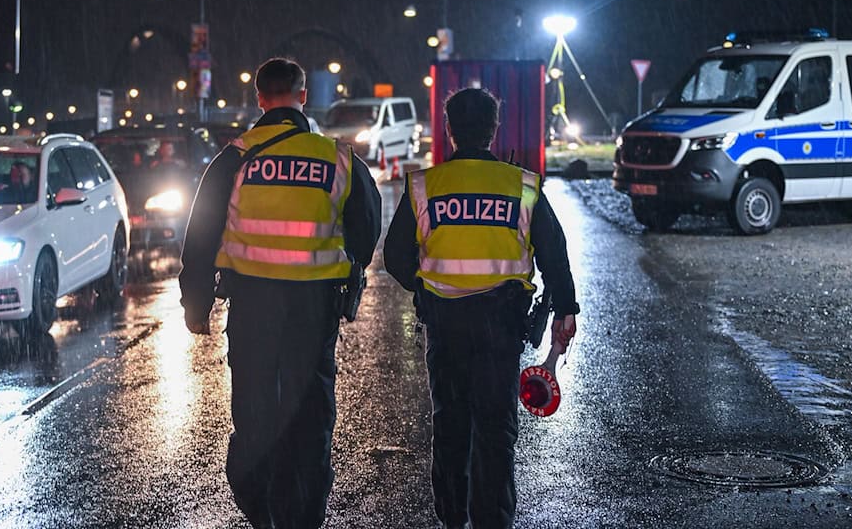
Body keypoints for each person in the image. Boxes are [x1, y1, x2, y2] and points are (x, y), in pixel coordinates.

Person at [179, 57, 381, 529]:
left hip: (253, 308)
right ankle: (306, 516)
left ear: (259, 98)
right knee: (311, 417)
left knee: (254, 415)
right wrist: (345, 271)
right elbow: (366, 228)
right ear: (303, 97)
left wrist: (197, 303)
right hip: (313, 310)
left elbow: (201, 234)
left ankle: (263, 511)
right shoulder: (337, 157)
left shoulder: (235, 157)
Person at [384, 88, 580, 529]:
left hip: (445, 324)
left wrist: (425, 290)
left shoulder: (425, 185)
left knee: (451, 427)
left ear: (449, 129)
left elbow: (395, 255)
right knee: (495, 432)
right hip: (501, 327)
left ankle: (453, 519)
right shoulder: (521, 185)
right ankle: (492, 520)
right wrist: (565, 308)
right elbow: (553, 250)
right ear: (494, 130)